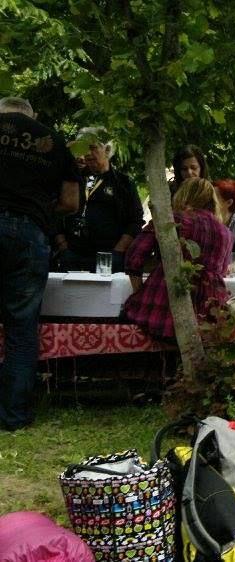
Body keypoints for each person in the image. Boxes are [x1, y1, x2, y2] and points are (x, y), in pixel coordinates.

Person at [0, 97, 80, 430]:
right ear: (32, 117)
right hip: (29, 234)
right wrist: (39, 209)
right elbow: (71, 202)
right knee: (21, 328)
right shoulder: (54, 141)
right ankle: (13, 416)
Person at [122, 178, 232, 339]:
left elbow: (135, 255)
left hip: (166, 304)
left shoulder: (174, 220)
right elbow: (222, 271)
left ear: (183, 195)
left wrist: (138, 292)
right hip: (208, 308)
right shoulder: (225, 232)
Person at [54, 127, 142, 273]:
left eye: (92, 148)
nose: (87, 153)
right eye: (84, 148)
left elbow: (135, 220)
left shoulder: (123, 183)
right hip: (72, 254)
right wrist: (63, 246)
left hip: (107, 256)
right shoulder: (74, 179)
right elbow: (57, 210)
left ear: (107, 150)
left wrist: (118, 251)